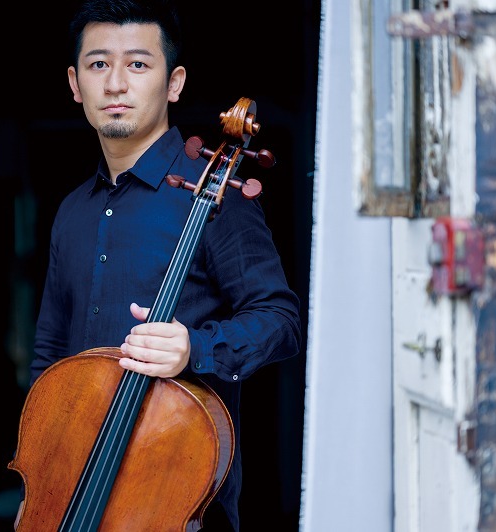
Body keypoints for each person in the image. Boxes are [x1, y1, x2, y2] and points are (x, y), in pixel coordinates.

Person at [18, 0, 302, 529]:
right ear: (76, 84)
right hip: (68, 497)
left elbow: (280, 320)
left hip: (172, 501)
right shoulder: (72, 211)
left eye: (138, 64)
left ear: (174, 83)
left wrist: (194, 347)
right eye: (98, 64)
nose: (116, 84)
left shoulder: (215, 198)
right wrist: (43, 476)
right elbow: (51, 354)